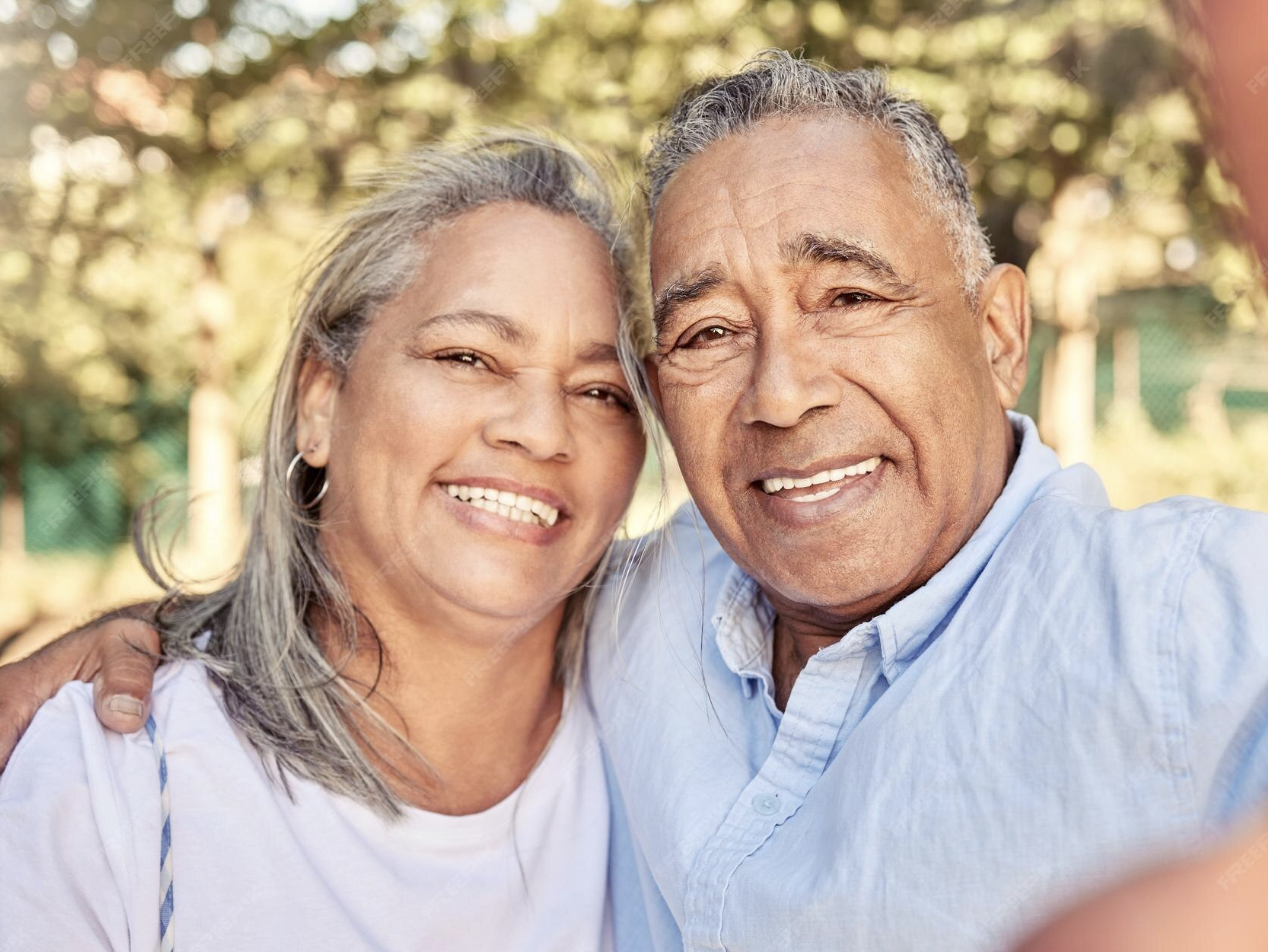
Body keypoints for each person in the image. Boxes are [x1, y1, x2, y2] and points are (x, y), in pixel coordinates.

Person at [6, 51, 1268, 952]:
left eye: (847, 298)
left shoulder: (1182, 623)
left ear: (996, 333)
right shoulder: (647, 611)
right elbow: (436, 566)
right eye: (708, 332)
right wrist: (142, 638)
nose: (782, 393)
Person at [0, 132, 649, 951]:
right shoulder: (111, 782)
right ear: (320, 400)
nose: (542, 430)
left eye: (602, 391)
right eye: (468, 356)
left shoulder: (676, 727)